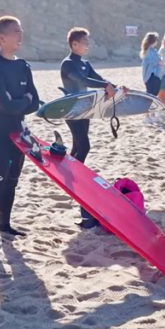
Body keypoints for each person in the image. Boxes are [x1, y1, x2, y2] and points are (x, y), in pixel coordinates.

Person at [0, 15, 40, 245]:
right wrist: (22, 100)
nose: (20, 35)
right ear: (1, 38)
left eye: (20, 30)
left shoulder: (23, 66)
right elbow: (5, 106)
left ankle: (5, 225)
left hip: (18, 132)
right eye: (15, 31)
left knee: (12, 181)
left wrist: (20, 101)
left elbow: (34, 102)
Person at [59, 27, 117, 229]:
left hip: (85, 109)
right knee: (84, 145)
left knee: (81, 145)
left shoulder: (85, 63)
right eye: (84, 42)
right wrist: (104, 86)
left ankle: (71, 171)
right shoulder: (68, 64)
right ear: (74, 44)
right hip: (72, 110)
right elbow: (83, 81)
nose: (87, 45)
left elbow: (97, 77)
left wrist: (112, 85)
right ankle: (74, 177)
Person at [140, 32, 163, 122]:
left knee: (153, 96)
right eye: (156, 40)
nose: (157, 42)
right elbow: (157, 62)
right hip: (151, 76)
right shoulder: (149, 51)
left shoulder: (152, 50)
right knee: (151, 96)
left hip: (154, 75)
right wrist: (160, 61)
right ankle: (147, 116)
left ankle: (151, 114)